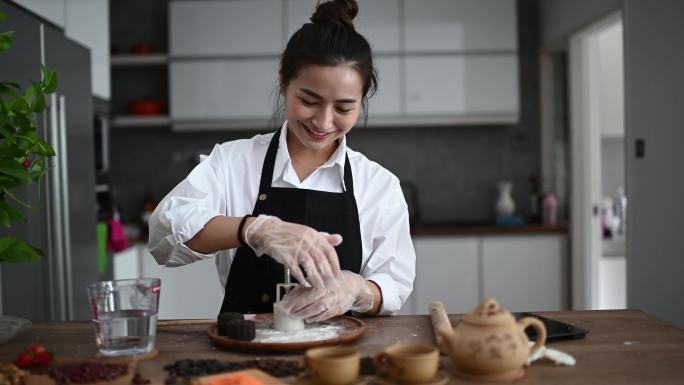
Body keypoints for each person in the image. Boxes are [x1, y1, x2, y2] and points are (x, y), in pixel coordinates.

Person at [148, 0, 415, 322]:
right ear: (283, 82)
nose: (324, 122)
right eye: (308, 101)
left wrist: (357, 289)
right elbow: (165, 235)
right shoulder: (234, 162)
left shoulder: (378, 184)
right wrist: (255, 229)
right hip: (247, 350)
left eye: (344, 108)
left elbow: (394, 285)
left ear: (362, 101)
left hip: (340, 360)